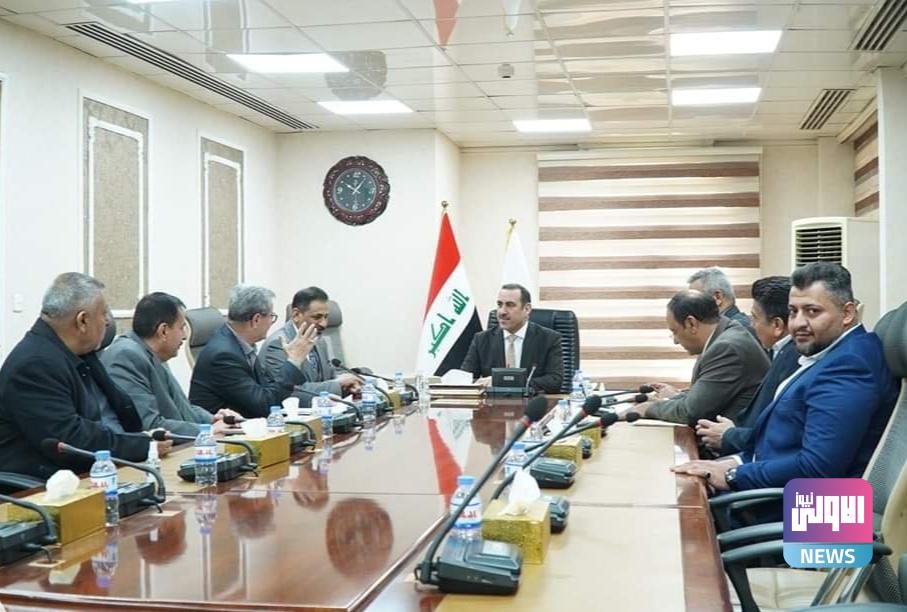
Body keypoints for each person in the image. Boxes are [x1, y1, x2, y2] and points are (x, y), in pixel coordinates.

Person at [673, 263, 899, 492]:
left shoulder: (850, 366)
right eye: (793, 311)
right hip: (779, 490)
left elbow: (817, 469)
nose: (798, 323)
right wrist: (731, 463)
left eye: (813, 311)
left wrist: (732, 475)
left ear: (848, 313)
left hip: (825, 508)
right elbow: (779, 448)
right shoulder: (830, 354)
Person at [0, 273, 170, 479]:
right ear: (82, 321)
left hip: (102, 470)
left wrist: (144, 439)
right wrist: (142, 446)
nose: (107, 322)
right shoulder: (35, 365)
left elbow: (118, 415)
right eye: (104, 313)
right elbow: (71, 441)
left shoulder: (80, 353)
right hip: (49, 485)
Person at [102, 292, 243, 438]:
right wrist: (207, 431)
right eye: (181, 328)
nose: (184, 336)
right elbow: (150, 425)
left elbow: (182, 408)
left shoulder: (153, 353)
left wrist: (213, 419)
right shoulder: (126, 356)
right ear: (163, 331)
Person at [695, 276, 800, 455]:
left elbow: (783, 436)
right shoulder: (780, 351)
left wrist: (730, 435)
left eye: (755, 318)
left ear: (777, 325)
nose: (751, 325)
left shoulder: (794, 357)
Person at [637, 290, 769, 424]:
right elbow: (708, 396)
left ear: (691, 324)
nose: (675, 341)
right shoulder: (724, 334)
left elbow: (690, 412)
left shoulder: (726, 348)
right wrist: (675, 397)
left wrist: (647, 408)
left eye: (674, 331)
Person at [188, 285, 318, 418]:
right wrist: (294, 360)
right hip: (228, 428)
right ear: (256, 320)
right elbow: (266, 405)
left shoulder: (239, 343)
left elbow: (269, 390)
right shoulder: (223, 355)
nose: (271, 322)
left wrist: (317, 399)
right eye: (271, 316)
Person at [259, 287, 360, 406]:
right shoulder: (278, 344)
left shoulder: (318, 339)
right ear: (296, 314)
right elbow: (291, 392)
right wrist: (338, 384)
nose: (324, 324)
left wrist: (349, 383)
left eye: (326, 317)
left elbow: (329, 375)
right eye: (317, 317)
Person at [461, 284, 563, 394]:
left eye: (510, 305)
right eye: (499, 304)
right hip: (492, 403)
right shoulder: (481, 339)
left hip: (531, 402)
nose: (502, 312)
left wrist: (502, 382)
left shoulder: (549, 339)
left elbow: (555, 381)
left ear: (527, 309)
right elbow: (465, 380)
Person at [688, 267, 754, 333]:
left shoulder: (738, 328)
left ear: (717, 297)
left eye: (695, 300)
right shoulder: (724, 326)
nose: (691, 307)